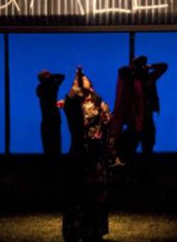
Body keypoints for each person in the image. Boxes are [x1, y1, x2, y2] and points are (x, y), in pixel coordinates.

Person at [61, 67, 113, 242]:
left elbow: (108, 127)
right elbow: (70, 99)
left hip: (96, 153)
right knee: (76, 192)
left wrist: (109, 151)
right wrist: (77, 80)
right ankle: (75, 230)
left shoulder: (100, 102)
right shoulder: (71, 104)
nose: (81, 82)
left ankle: (95, 230)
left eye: (84, 80)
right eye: (77, 82)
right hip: (78, 152)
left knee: (96, 193)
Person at [112, 56, 168, 162]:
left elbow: (164, 66)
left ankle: (144, 175)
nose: (142, 68)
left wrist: (150, 66)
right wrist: (133, 68)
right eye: (140, 65)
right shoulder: (130, 79)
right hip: (135, 119)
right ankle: (130, 172)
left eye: (143, 65)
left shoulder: (149, 78)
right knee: (130, 150)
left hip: (147, 119)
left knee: (148, 149)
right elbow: (122, 72)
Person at [36, 70, 65, 156]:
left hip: (52, 119)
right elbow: (61, 76)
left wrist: (50, 77)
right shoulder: (43, 88)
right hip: (48, 119)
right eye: (47, 74)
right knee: (49, 144)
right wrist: (51, 77)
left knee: (55, 144)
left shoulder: (51, 85)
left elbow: (61, 76)